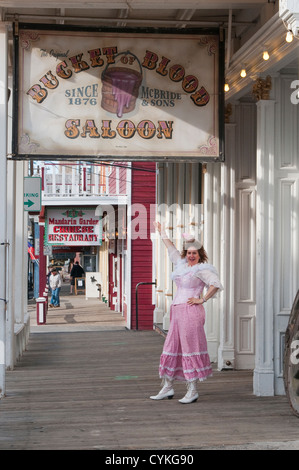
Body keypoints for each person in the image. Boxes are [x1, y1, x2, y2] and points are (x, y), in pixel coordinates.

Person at [150, 221, 223, 404]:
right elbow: (171, 250)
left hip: (191, 311)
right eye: (189, 253)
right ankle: (167, 387)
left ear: (200, 255)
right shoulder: (182, 266)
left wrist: (202, 299)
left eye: (194, 253)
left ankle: (192, 390)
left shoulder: (203, 270)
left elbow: (216, 284)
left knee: (191, 347)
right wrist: (162, 232)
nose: (191, 256)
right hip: (176, 311)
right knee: (171, 346)